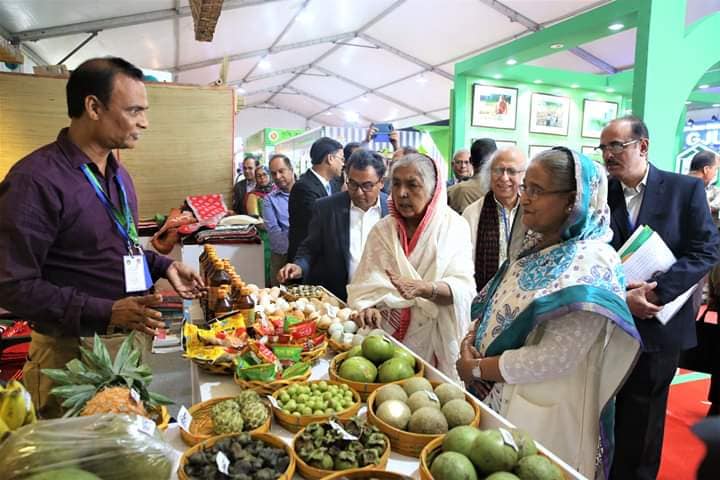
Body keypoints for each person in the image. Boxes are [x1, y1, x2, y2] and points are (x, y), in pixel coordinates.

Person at [0, 57, 204, 417]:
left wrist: (161, 265)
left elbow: (111, 247)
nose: (145, 122)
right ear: (93, 107)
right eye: (135, 110)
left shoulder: (118, 175)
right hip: (70, 355)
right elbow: (11, 284)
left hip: (126, 347)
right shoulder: (35, 181)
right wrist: (106, 310)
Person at [456, 148, 641, 478]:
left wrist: (477, 368)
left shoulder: (593, 262)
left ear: (574, 200)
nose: (523, 197)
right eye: (525, 186)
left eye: (536, 190)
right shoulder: (536, 245)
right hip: (496, 395)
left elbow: (555, 358)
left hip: (545, 414)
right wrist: (471, 339)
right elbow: (497, 303)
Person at [603, 116, 720, 480]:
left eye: (616, 146)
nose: (608, 155)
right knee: (604, 415)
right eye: (603, 148)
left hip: (658, 324)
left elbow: (706, 249)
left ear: (643, 146)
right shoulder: (601, 194)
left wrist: (659, 293)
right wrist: (623, 294)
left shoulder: (684, 190)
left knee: (644, 420)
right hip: (610, 321)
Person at [348, 153, 476, 381]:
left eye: (412, 185)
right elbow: (365, 288)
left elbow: (464, 289)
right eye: (396, 184)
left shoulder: (454, 227)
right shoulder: (382, 231)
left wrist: (424, 289)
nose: (401, 193)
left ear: (433, 188)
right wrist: (368, 308)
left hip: (437, 340)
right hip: (386, 343)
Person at [277, 149, 389, 301]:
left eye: (367, 186)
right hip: (338, 301)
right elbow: (310, 247)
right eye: (353, 184)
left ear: (381, 182)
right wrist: (299, 266)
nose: (359, 192)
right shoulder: (327, 208)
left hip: (381, 299)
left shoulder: (393, 210)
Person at [462, 147, 527, 291]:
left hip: (521, 296)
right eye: (498, 170)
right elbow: (463, 264)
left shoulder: (533, 212)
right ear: (489, 173)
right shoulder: (472, 213)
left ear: (523, 175)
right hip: (482, 297)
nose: (504, 178)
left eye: (511, 171)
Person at [287, 137, 344, 261]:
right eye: (341, 159)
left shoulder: (335, 183)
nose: (343, 164)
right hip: (307, 259)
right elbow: (319, 222)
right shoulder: (304, 187)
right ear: (330, 158)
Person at [263, 154, 295, 287]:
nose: (277, 176)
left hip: (307, 256)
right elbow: (274, 232)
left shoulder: (307, 192)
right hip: (282, 256)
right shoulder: (269, 200)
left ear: (291, 170)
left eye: (281, 171)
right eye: (273, 173)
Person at [448, 138, 498, 214]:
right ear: (495, 161)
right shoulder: (502, 191)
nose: (463, 166)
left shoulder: (452, 192)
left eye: (465, 162)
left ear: (470, 161)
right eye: (458, 162)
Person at [688, 150, 720, 219]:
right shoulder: (697, 191)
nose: (715, 174)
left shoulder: (674, 185)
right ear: (706, 169)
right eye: (715, 169)